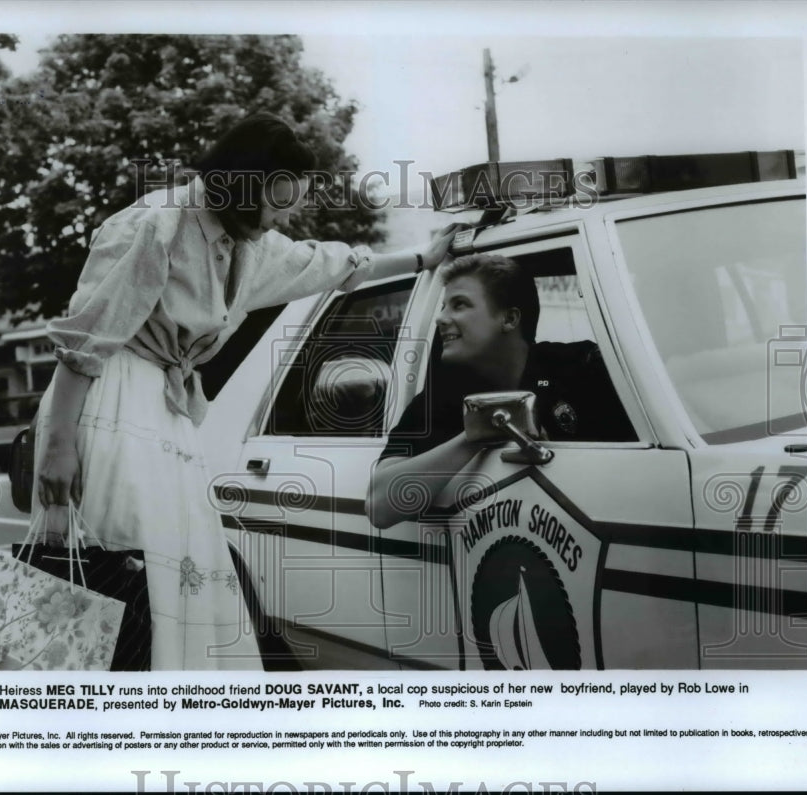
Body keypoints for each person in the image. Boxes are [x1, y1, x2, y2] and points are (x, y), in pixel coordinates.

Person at [33, 112, 456, 670]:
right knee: (124, 567)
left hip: (167, 410)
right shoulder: (154, 224)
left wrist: (424, 258)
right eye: (279, 203)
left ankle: (172, 717)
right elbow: (85, 341)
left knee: (174, 575)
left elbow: (327, 263)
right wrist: (58, 445)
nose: (286, 216)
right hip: (112, 402)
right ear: (241, 187)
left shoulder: (249, 247)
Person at [366, 252, 635, 530]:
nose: (441, 319)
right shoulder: (443, 397)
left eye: (459, 305)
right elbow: (379, 508)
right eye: (444, 306)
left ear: (509, 319)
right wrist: (474, 437)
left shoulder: (581, 368)